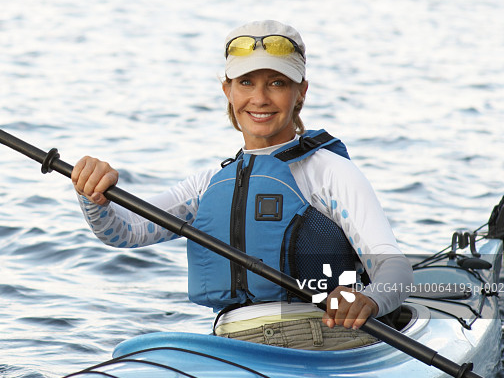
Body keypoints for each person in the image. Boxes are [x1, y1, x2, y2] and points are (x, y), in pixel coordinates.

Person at [71, 20, 414, 351]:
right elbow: (124, 231)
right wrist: (93, 193)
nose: (260, 98)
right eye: (246, 82)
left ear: (301, 93)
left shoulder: (329, 172)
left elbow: (393, 269)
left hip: (319, 337)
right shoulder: (208, 184)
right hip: (232, 345)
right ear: (228, 90)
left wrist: (367, 299)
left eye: (277, 83)